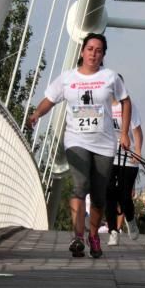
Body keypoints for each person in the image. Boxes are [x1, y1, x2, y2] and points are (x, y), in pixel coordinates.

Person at [28, 33, 131, 259]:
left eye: (99, 50)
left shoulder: (110, 77)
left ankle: (93, 235)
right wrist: (37, 113)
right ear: (82, 51)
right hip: (76, 140)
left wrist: (124, 133)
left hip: (104, 143)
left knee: (98, 196)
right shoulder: (67, 78)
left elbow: (125, 101)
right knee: (80, 184)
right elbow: (50, 99)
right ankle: (77, 236)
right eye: (90, 48)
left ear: (103, 55)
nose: (94, 53)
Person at [106, 95, 143, 246]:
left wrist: (138, 151)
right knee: (109, 193)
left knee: (124, 195)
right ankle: (113, 231)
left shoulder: (128, 105)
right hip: (108, 155)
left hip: (128, 156)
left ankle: (130, 219)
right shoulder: (102, 104)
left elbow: (137, 131)